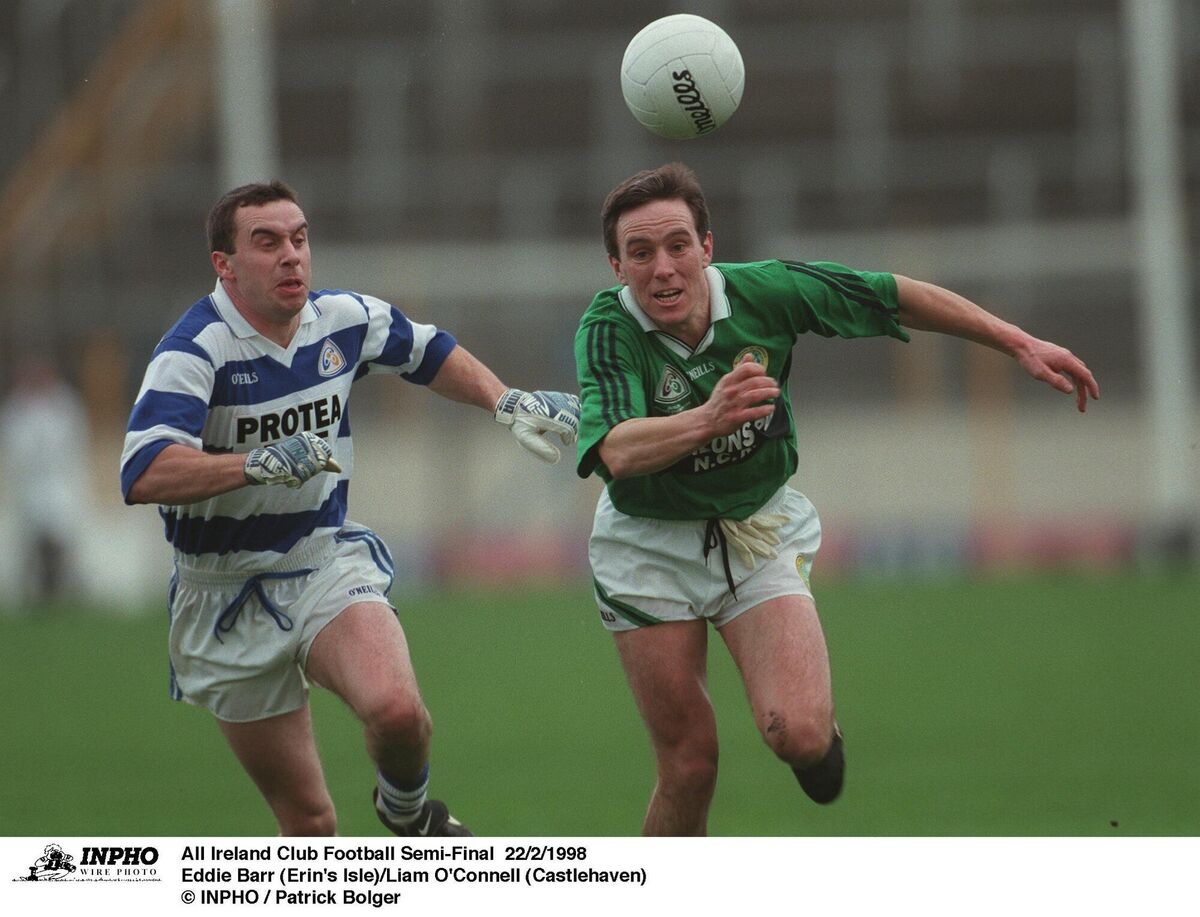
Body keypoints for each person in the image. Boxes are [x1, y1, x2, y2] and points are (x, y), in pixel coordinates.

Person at [573, 162, 1099, 836]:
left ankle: (818, 733)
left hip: (757, 527)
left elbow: (891, 295)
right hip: (646, 544)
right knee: (689, 763)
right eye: (640, 252)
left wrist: (1017, 341)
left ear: (708, 246)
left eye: (678, 244)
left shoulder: (770, 292)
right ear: (616, 265)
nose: (663, 267)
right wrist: (711, 416)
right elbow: (616, 450)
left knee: (801, 736)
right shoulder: (607, 329)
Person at [121, 180, 579, 837]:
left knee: (398, 712)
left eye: (300, 239)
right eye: (268, 242)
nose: (291, 255)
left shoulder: (343, 320)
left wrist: (504, 402)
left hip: (321, 561)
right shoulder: (193, 351)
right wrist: (253, 463)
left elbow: (428, 351)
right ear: (225, 264)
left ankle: (408, 815)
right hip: (222, 596)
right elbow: (143, 470)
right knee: (309, 824)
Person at [0, 357, 89, 603]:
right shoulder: (17, 407)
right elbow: (15, 449)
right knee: (30, 543)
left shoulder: (65, 404)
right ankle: (32, 593)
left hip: (59, 482)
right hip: (29, 486)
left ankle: (66, 590)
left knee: (62, 540)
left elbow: (72, 443)